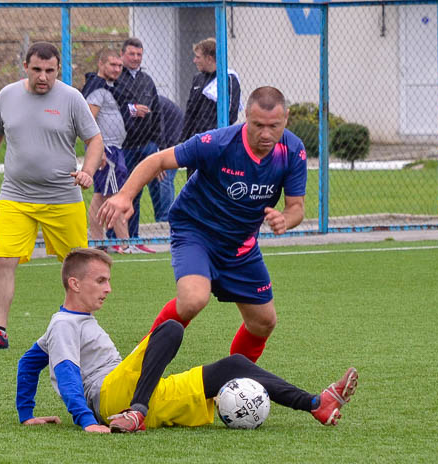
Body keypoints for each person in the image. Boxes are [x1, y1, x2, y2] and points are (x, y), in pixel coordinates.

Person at [16, 248, 358, 433]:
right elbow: (68, 374)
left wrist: (26, 413)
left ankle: (316, 403)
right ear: (74, 284)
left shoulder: (72, 323)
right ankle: (137, 411)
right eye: (101, 281)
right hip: (109, 396)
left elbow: (28, 363)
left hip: (136, 394)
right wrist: (87, 421)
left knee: (234, 366)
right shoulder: (63, 323)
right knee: (170, 329)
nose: (108, 289)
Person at [98, 86, 306, 364]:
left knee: (264, 322)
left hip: (240, 245)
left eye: (274, 126)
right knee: (193, 300)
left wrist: (285, 220)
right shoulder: (217, 143)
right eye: (258, 125)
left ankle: (232, 381)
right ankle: (137, 367)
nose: (266, 134)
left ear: (286, 119)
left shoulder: (292, 151)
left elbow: (296, 208)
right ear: (246, 116)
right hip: (196, 232)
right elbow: (158, 159)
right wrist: (125, 196)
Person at [0, 41, 104, 350]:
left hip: (63, 197)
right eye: (37, 70)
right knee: (3, 260)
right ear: (25, 67)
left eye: (50, 71)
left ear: (58, 70)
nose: (43, 77)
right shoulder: (7, 95)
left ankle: (82, 329)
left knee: (81, 266)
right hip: (16, 196)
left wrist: (88, 171)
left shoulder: (71, 98)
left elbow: (95, 140)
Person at [81, 48, 138, 254]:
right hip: (108, 151)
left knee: (101, 197)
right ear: (101, 64)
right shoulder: (96, 88)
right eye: (112, 65)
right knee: (116, 196)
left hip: (115, 149)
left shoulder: (110, 88)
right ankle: (125, 244)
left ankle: (99, 243)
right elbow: (88, 120)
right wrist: (98, 150)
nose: (117, 69)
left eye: (119, 66)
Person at [112, 37, 162, 253]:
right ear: (123, 55)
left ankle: (133, 238)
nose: (135, 58)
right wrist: (132, 109)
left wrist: (158, 144)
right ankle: (113, 239)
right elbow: (111, 107)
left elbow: (157, 112)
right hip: (124, 147)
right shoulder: (115, 78)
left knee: (139, 192)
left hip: (147, 145)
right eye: (131, 54)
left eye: (139, 54)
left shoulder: (147, 80)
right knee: (119, 192)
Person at [180, 37, 242, 180]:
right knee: (192, 185)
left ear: (209, 58)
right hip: (195, 144)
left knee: (213, 185)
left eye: (197, 57)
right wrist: (184, 140)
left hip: (216, 145)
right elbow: (190, 112)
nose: (194, 61)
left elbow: (231, 114)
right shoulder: (198, 78)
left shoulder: (228, 79)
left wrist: (213, 137)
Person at [153, 95, 184, 222]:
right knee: (159, 180)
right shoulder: (155, 101)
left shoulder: (155, 103)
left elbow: (161, 129)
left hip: (173, 142)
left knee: (165, 178)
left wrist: (161, 153)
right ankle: (161, 216)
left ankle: (166, 217)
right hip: (171, 140)